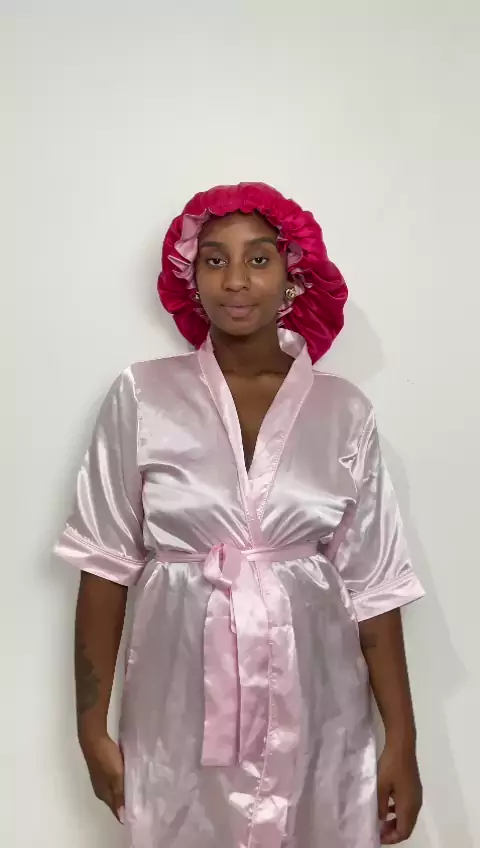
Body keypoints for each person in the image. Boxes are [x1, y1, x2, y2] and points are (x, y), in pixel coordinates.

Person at [54, 182, 424, 848]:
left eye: (258, 258)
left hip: (317, 707)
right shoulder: (143, 396)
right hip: (179, 708)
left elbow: (374, 588)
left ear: (292, 274)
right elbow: (104, 568)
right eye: (214, 259)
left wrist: (403, 738)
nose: (235, 280)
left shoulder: (344, 411)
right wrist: (88, 727)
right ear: (190, 275)